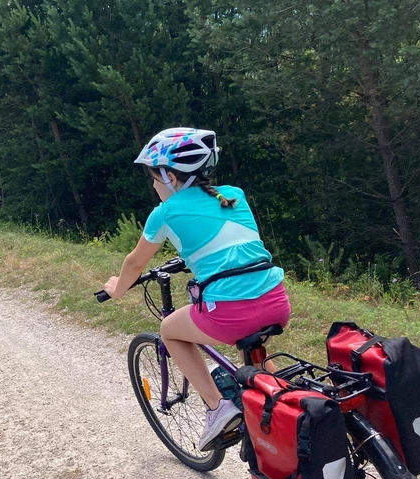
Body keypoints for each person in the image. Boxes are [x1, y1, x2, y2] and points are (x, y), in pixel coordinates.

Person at [102, 128, 291, 450]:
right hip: (276, 299)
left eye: (154, 177)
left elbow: (135, 263)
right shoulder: (234, 195)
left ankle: (218, 409)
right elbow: (225, 244)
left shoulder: (164, 213)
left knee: (170, 329)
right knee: (254, 355)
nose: (153, 184)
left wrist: (117, 289)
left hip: (232, 312)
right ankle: (293, 403)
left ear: (171, 176)